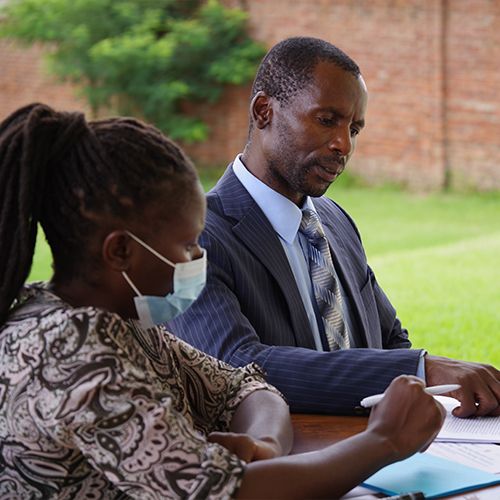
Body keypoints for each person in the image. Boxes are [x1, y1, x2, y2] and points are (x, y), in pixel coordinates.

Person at [0, 103, 445, 499]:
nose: (200, 256)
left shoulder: (127, 326)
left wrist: (263, 445)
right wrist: (383, 441)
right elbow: (229, 492)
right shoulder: (68, 352)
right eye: (189, 244)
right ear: (121, 251)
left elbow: (246, 387)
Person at [168, 36, 500, 417]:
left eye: (354, 129)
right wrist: (420, 369)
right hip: (283, 462)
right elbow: (236, 368)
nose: (343, 144)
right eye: (327, 120)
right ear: (264, 111)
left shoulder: (334, 220)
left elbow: (390, 340)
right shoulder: (196, 236)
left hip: (378, 453)